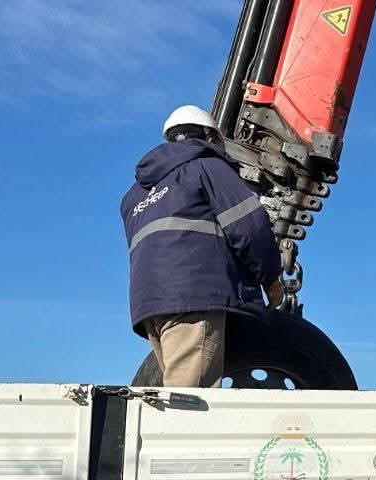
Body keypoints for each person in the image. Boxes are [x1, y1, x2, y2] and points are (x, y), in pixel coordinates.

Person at [120, 105, 283, 387]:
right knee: (191, 405)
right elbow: (251, 225)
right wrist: (270, 278)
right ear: (211, 138)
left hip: (151, 305)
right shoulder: (207, 167)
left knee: (174, 392)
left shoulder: (135, 196)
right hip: (195, 297)